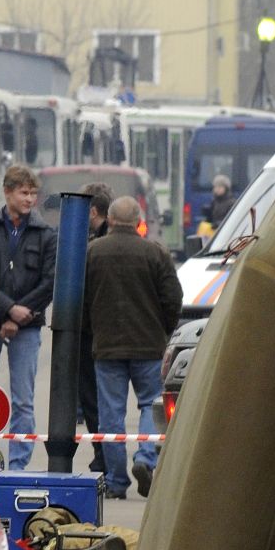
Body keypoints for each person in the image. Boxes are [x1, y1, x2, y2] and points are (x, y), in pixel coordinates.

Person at [84, 193, 183, 500]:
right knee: (149, 404)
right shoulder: (155, 253)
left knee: (110, 416)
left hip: (108, 346)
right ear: (139, 221)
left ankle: (116, 482)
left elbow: (81, 299)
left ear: (110, 220)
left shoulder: (92, 252)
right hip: (148, 344)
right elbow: (173, 297)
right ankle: (145, 458)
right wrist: (163, 330)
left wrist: (94, 330)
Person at [0, 164, 56, 471]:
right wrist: (8, 309)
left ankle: (19, 465)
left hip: (28, 324)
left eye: (34, 193)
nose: (30, 199)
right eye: (24, 192)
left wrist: (20, 314)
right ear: (7, 191)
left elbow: (49, 282)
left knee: (23, 399)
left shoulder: (44, 234)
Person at [77, 184, 113, 475]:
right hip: (114, 332)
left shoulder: (91, 246)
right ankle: (109, 459)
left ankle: (104, 458)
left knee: (94, 400)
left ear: (92, 211)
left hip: (92, 332)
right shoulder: (118, 237)